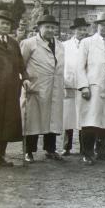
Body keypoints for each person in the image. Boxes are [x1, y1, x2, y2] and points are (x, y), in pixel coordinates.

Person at [0, 10, 29, 167]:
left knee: (6, 123)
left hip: (9, 90)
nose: (5, 26)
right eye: (2, 22)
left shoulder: (13, 43)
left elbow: (21, 64)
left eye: (8, 24)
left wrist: (26, 78)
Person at [76, 12, 105, 165]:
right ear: (97, 26)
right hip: (92, 86)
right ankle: (87, 153)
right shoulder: (87, 42)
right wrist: (83, 86)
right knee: (90, 119)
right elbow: (79, 67)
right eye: (103, 25)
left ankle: (102, 151)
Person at [21, 14, 64, 162]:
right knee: (33, 120)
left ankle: (50, 149)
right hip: (36, 87)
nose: (50, 30)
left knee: (51, 119)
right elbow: (21, 65)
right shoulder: (29, 43)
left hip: (55, 87)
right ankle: (29, 151)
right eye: (47, 27)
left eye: (53, 27)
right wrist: (25, 80)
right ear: (40, 28)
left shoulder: (60, 45)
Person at [61, 18, 89, 156]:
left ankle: (84, 147)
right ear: (74, 30)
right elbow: (61, 64)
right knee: (69, 116)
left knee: (83, 116)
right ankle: (66, 146)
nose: (82, 32)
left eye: (84, 29)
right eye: (80, 29)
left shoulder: (89, 44)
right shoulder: (65, 45)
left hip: (84, 85)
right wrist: (64, 81)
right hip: (69, 83)